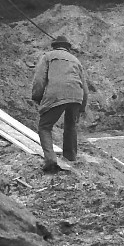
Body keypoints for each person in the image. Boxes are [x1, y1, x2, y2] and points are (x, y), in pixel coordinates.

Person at [30, 35, 89, 173]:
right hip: (76, 95)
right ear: (68, 48)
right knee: (71, 125)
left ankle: (51, 160)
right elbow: (85, 88)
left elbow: (39, 80)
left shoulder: (48, 57)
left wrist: (37, 98)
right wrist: (81, 108)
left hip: (57, 93)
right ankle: (71, 157)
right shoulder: (76, 61)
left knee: (44, 126)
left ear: (54, 46)